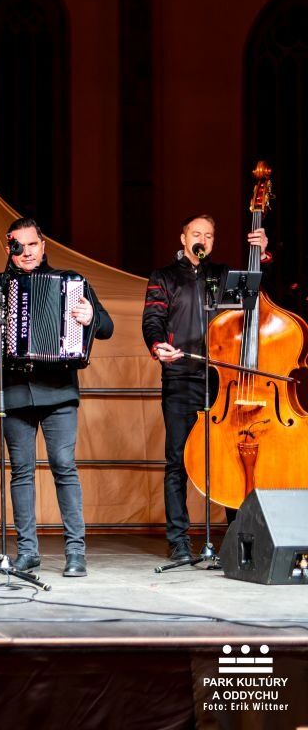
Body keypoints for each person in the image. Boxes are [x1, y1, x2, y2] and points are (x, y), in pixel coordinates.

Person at [0, 217, 113, 577]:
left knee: (63, 467)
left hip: (58, 390)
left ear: (43, 246)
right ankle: (27, 551)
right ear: (10, 248)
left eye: (33, 244)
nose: (26, 252)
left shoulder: (72, 282)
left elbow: (107, 327)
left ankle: (75, 553)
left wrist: (91, 316)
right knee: (21, 473)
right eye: (18, 246)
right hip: (15, 390)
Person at [141, 215, 269, 563]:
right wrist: (157, 346)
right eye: (196, 233)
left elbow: (258, 307)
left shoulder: (224, 276)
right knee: (178, 459)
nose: (202, 239)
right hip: (181, 376)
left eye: (209, 235)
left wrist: (262, 255)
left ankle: (238, 537)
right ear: (183, 237)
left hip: (222, 381)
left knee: (231, 457)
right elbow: (152, 320)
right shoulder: (163, 277)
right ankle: (179, 540)